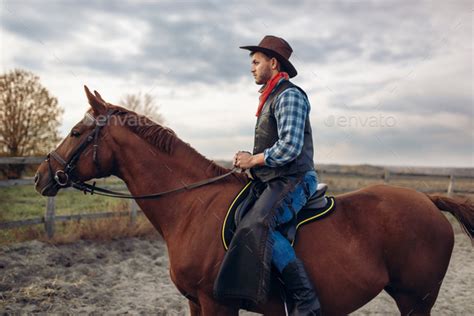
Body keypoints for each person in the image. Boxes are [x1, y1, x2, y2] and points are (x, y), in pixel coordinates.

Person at [233, 35, 322, 315]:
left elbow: (290, 147)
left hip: (295, 179)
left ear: (273, 63)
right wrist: (251, 161)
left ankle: (306, 301)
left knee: (260, 226)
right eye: (252, 63)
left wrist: (254, 160)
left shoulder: (289, 96)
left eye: (256, 62)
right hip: (275, 179)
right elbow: (273, 146)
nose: (252, 67)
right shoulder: (270, 96)